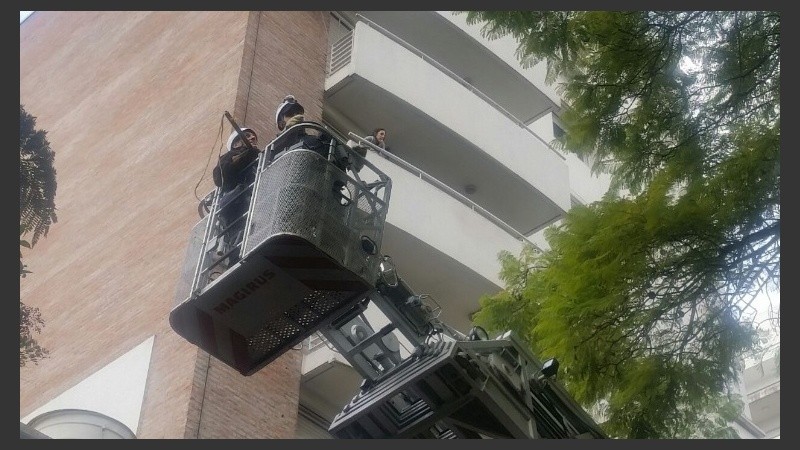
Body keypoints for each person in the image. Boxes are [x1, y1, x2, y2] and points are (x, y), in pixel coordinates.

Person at [212, 127, 261, 266]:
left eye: (253, 135)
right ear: (235, 144)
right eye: (246, 136)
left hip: (254, 203)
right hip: (236, 206)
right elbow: (220, 177)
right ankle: (237, 262)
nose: (252, 137)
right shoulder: (228, 158)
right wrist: (248, 154)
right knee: (238, 239)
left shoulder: (259, 157)